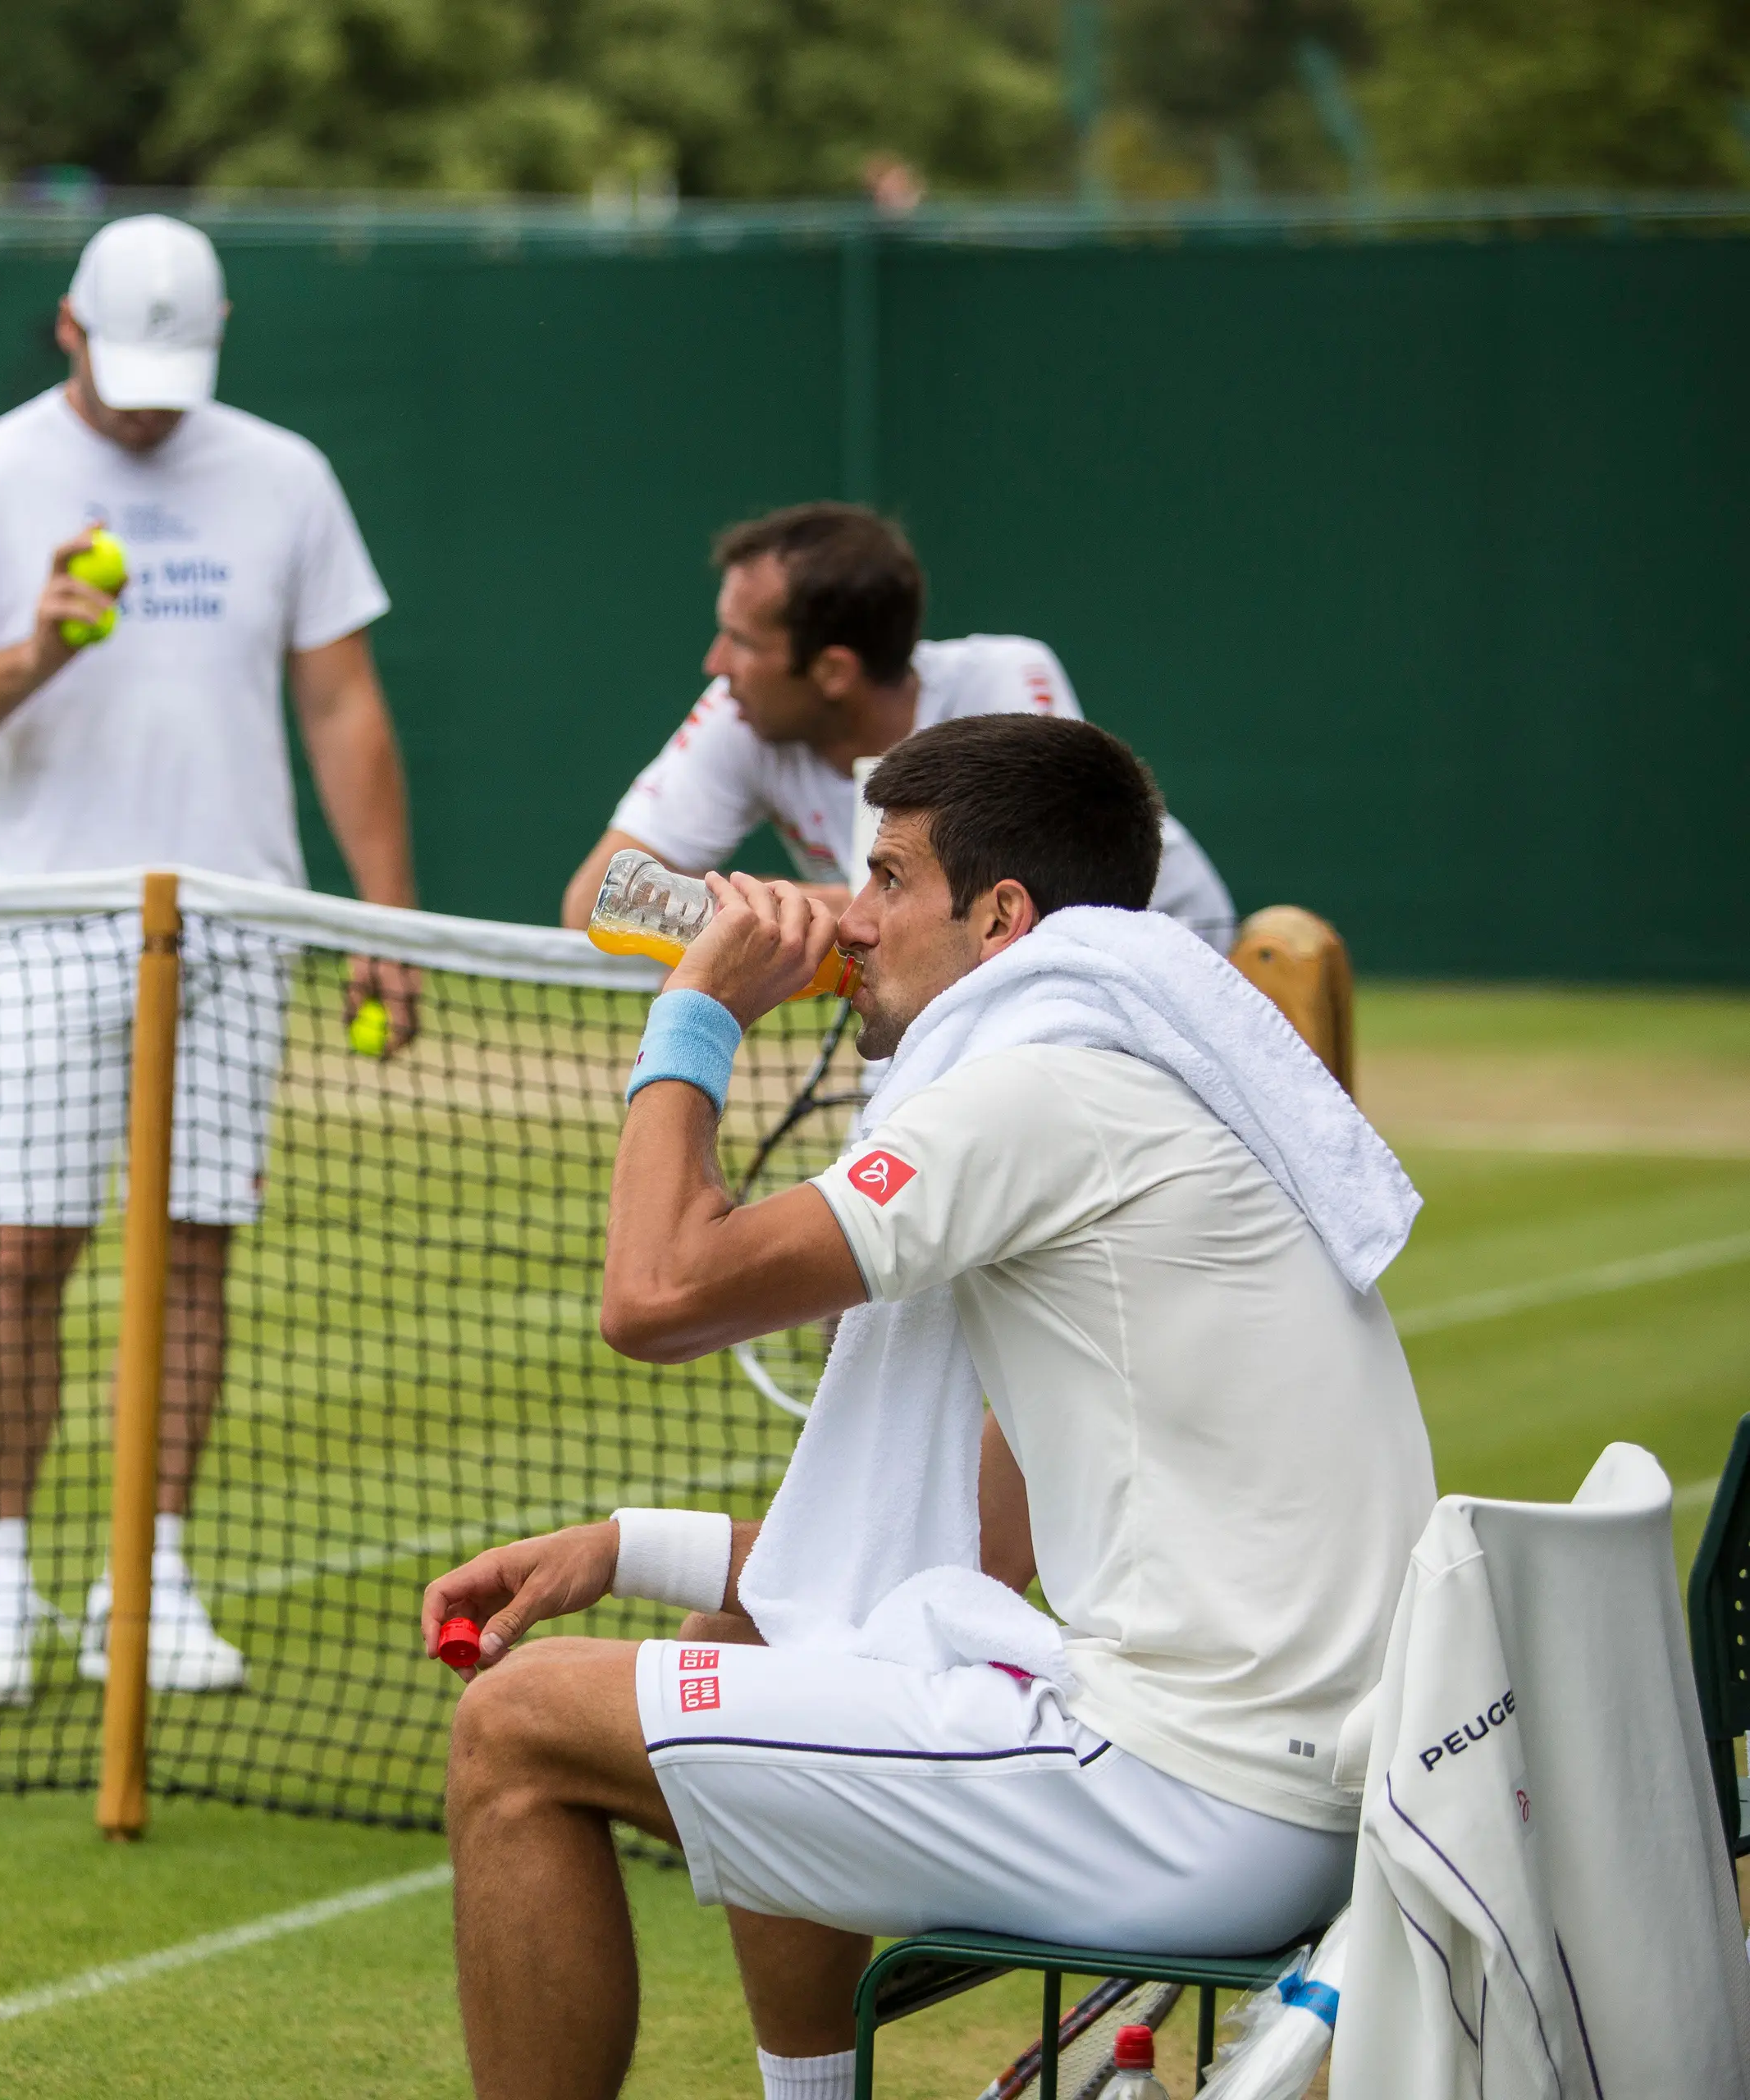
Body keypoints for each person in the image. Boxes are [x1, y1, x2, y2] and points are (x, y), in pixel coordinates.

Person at [431, 714, 1434, 2100]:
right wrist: (622, 1547)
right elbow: (961, 1543)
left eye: (890, 879)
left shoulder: (1039, 1094)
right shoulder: (1137, 1091)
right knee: (804, 1638)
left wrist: (699, 1011)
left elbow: (653, 1293)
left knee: (517, 1726)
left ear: (1002, 916)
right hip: (1304, 1801)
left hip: (1195, 1801)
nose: (854, 916)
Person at [0, 212, 420, 1709]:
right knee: (19, 1253)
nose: (153, 397)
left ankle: (150, 1581)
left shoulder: (287, 476)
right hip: (49, 927)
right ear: (66, 331)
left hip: (237, 927)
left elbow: (343, 708)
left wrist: (383, 923)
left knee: (193, 1256)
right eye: (124, 367)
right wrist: (37, 650)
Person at [558, 503, 1236, 950]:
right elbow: (595, 900)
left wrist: (780, 913)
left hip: (1170, 947)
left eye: (743, 642)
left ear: (832, 671)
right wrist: (773, 918)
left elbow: (1017, 909)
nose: (716, 663)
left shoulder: (1008, 679)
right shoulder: (740, 710)